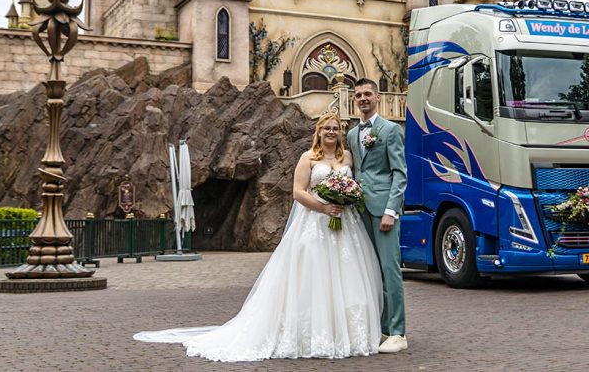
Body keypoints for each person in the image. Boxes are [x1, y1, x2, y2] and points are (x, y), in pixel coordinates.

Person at [133, 112, 383, 362]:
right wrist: (324, 208)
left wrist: (346, 199)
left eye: (335, 128)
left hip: (346, 227)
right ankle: (312, 334)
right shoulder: (308, 158)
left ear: (340, 132)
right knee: (313, 277)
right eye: (326, 128)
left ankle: (347, 333)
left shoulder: (347, 157)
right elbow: (298, 192)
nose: (331, 132)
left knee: (345, 277)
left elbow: (355, 187)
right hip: (315, 224)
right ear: (318, 131)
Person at [346, 78, 408, 353]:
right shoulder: (351, 134)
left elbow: (399, 174)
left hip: (383, 211)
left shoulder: (391, 130)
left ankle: (398, 332)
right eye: (358, 95)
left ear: (378, 97)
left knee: (390, 270)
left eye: (367, 94)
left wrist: (391, 211)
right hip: (359, 211)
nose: (363, 98)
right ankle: (380, 328)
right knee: (369, 271)